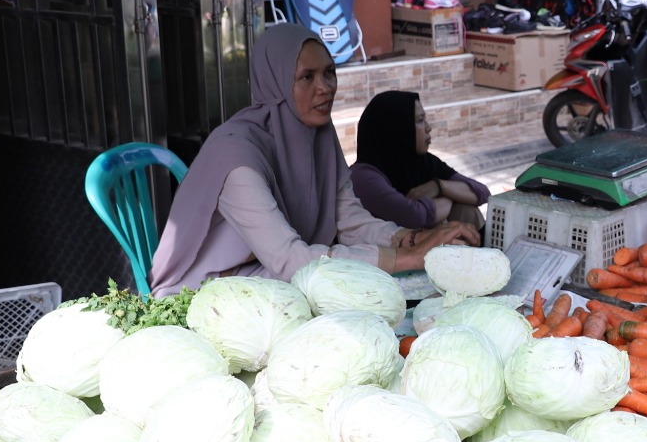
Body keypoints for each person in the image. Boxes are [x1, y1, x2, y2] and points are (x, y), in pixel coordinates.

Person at [148, 25, 478, 295]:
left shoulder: (315, 135)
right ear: (275, 83)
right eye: (307, 77)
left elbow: (348, 220)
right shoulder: (235, 157)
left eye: (329, 73)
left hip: (267, 273)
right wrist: (407, 257)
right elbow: (291, 260)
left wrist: (408, 238)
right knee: (348, 288)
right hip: (206, 292)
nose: (325, 88)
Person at [350, 92, 490, 229]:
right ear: (398, 128)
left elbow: (482, 193)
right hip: (383, 250)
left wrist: (439, 187)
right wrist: (450, 197)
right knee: (458, 208)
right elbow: (414, 216)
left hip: (419, 246)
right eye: (419, 121)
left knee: (467, 210)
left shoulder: (422, 162)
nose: (428, 128)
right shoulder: (363, 177)